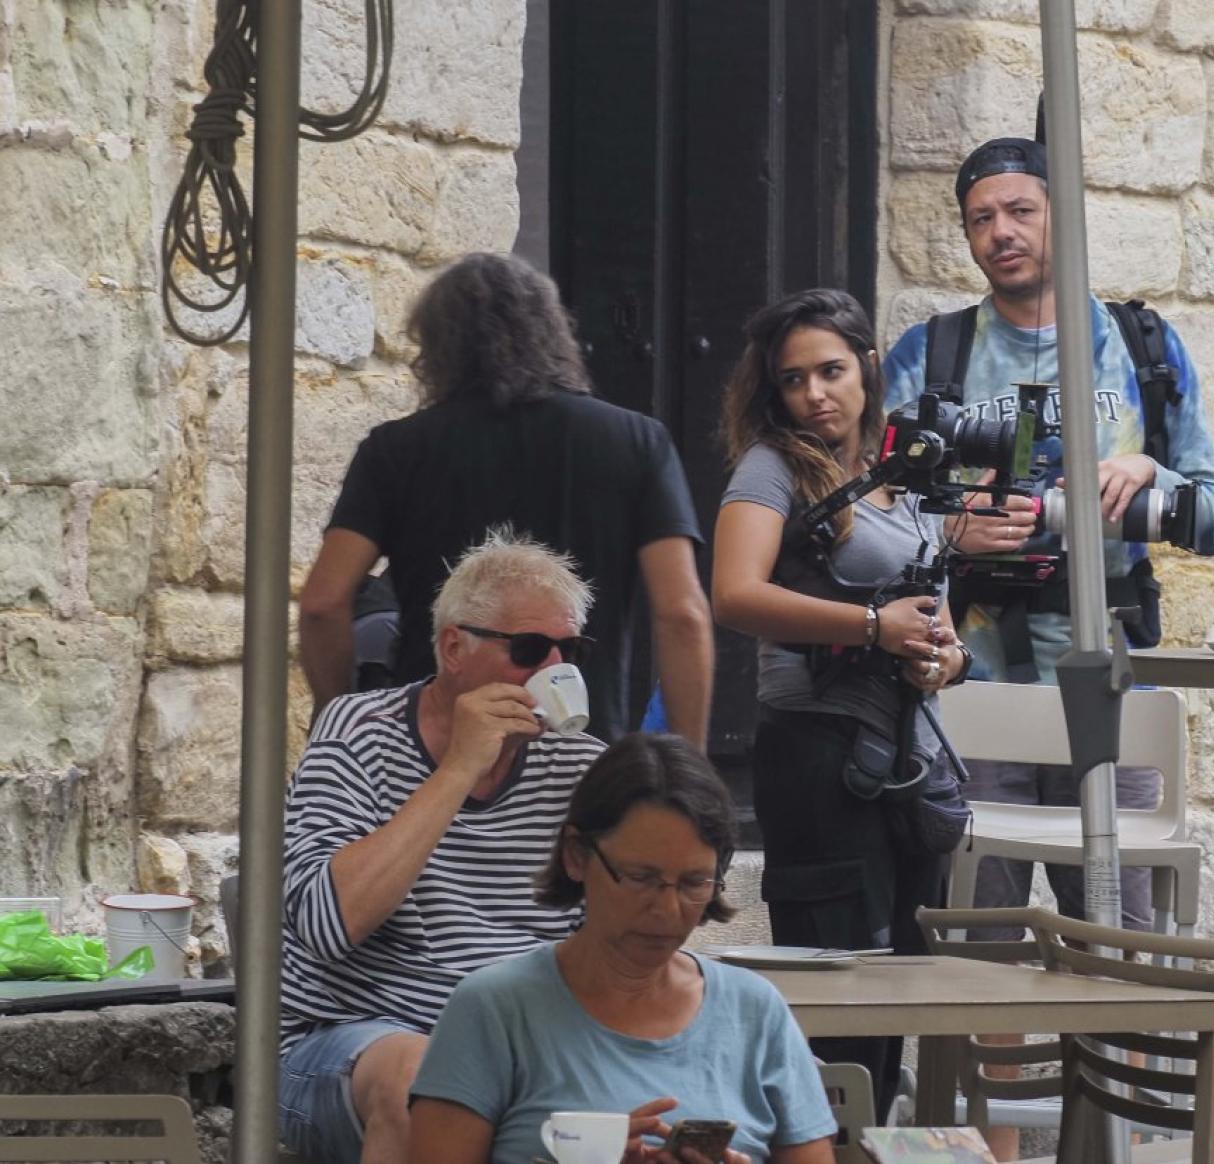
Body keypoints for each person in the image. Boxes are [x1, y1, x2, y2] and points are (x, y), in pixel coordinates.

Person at [880, 133, 1214, 940]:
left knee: (1122, 945)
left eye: (1019, 211)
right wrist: (951, 532)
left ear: (1061, 219)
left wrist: (1153, 475)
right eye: (980, 219)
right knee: (981, 948)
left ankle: (1122, 1073)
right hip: (974, 695)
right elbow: (867, 520)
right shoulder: (931, 353)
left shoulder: (1142, 348)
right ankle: (982, 1077)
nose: (1001, 232)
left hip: (1107, 691)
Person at [711, 288, 968, 1113]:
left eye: (830, 371)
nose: (815, 394)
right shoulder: (772, 466)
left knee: (897, 986)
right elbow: (734, 595)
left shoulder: (905, 471)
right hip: (820, 753)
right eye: (793, 380)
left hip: (906, 755)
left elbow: (937, 621)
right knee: (839, 990)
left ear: (865, 365)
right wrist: (870, 627)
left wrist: (943, 660)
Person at [279, 531, 608, 1164]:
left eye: (569, 651)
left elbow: (608, 940)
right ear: (454, 647)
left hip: (526, 1046)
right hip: (351, 1046)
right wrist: (457, 771)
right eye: (530, 650)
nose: (551, 671)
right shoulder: (357, 733)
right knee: (425, 1085)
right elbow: (325, 924)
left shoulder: (579, 767)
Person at [299, 251, 713, 746]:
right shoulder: (637, 441)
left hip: (431, 743)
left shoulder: (394, 449)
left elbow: (323, 604)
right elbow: (682, 614)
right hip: (580, 738)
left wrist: (336, 722)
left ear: (437, 347)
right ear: (553, 332)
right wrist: (691, 769)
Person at [407, 733, 837, 1164]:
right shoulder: (494, 1010)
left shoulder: (756, 1011)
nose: (667, 910)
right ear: (576, 856)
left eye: (693, 883)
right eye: (639, 877)